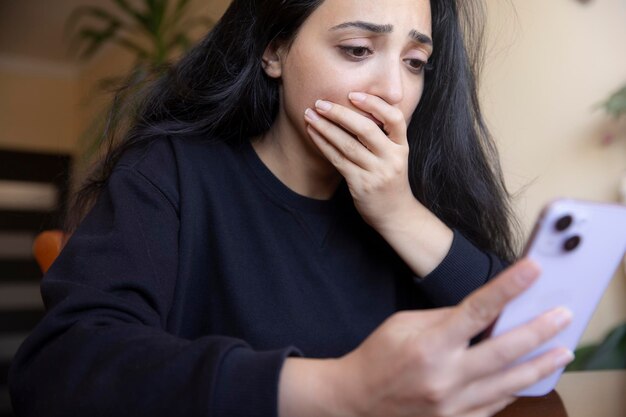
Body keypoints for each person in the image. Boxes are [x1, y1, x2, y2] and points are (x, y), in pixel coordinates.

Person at [9, 0, 574, 416]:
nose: (395, 92)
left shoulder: (416, 201)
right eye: (357, 50)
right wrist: (339, 390)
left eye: (415, 61)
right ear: (274, 51)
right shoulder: (172, 173)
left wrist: (399, 214)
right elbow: (62, 367)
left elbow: (534, 357)